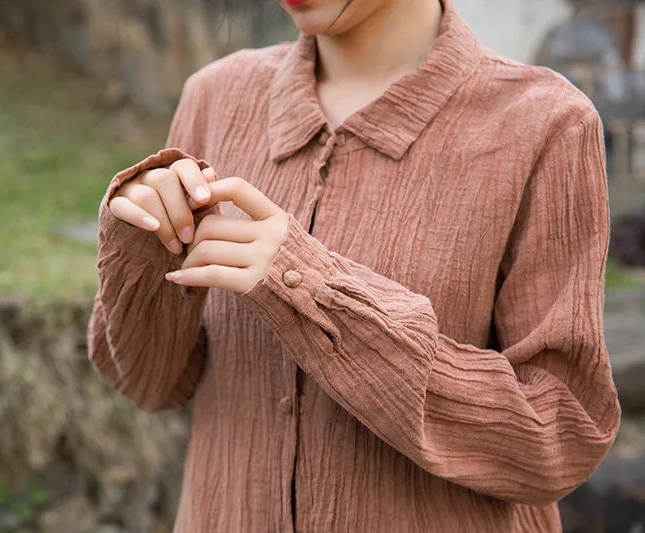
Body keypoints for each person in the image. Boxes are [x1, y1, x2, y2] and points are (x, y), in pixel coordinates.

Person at [87, 0, 621, 531]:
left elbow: (562, 436)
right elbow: (151, 384)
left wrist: (315, 291)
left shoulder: (545, 124)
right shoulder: (215, 96)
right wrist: (142, 241)